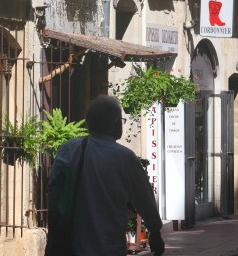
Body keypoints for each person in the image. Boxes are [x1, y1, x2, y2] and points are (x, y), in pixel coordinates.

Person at [48, 96, 164, 256]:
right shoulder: (124, 157)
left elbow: (54, 192)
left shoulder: (68, 150)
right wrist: (155, 232)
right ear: (116, 123)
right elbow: (144, 198)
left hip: (69, 246)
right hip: (108, 246)